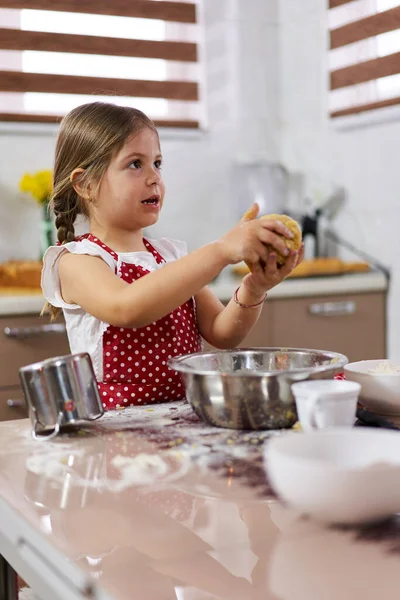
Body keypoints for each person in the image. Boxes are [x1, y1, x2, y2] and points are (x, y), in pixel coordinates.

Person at [42, 102, 303, 411]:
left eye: (158, 163)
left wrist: (254, 288)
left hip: (183, 424)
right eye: (135, 164)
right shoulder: (77, 261)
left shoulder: (168, 257)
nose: (154, 177)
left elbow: (223, 333)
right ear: (86, 184)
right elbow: (126, 307)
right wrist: (220, 249)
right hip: (116, 435)